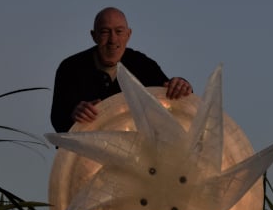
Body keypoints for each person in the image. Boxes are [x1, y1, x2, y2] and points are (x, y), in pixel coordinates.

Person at [51, 7, 193, 132]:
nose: (113, 39)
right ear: (94, 36)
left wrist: (182, 85)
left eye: (119, 31)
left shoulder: (143, 64)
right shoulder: (70, 68)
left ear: (128, 35)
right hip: (88, 155)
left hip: (136, 156)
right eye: (105, 32)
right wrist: (74, 116)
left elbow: (172, 99)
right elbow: (57, 120)